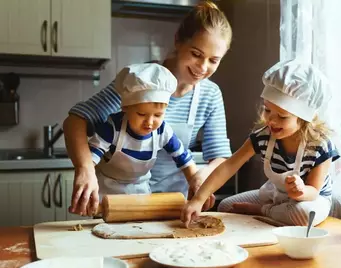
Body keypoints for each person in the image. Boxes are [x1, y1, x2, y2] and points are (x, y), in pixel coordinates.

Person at [63, 1, 233, 216]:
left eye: (213, 60)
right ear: (178, 41)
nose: (203, 67)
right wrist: (85, 169)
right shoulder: (138, 82)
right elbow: (76, 120)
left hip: (172, 208)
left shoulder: (210, 94)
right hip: (119, 205)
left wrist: (201, 175)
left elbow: (219, 156)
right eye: (196, 54)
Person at [181, 59, 340, 227]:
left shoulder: (320, 145)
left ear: (304, 118)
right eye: (267, 110)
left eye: (282, 116)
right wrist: (199, 199)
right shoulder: (264, 136)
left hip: (311, 200)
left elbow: (314, 191)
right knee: (225, 206)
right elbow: (229, 166)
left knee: (303, 215)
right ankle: (273, 209)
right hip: (277, 195)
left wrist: (300, 191)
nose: (271, 120)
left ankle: (263, 210)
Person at [89, 63, 197, 197]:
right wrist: (87, 183)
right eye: (141, 114)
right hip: (106, 191)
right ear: (125, 108)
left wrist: (194, 181)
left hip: (141, 192)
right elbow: (91, 158)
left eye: (158, 115)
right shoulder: (112, 128)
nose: (150, 122)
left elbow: (183, 158)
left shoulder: (162, 131)